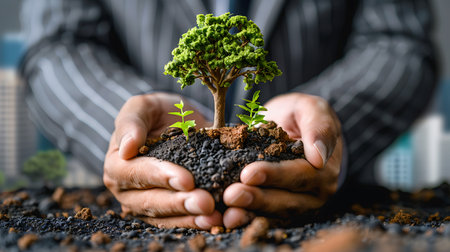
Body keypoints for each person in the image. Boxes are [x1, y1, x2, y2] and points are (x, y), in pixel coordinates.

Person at [20, 0, 437, 230]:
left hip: (327, 215)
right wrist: (128, 129)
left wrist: (325, 131)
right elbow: (58, 46)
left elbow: (398, 43)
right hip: (144, 221)